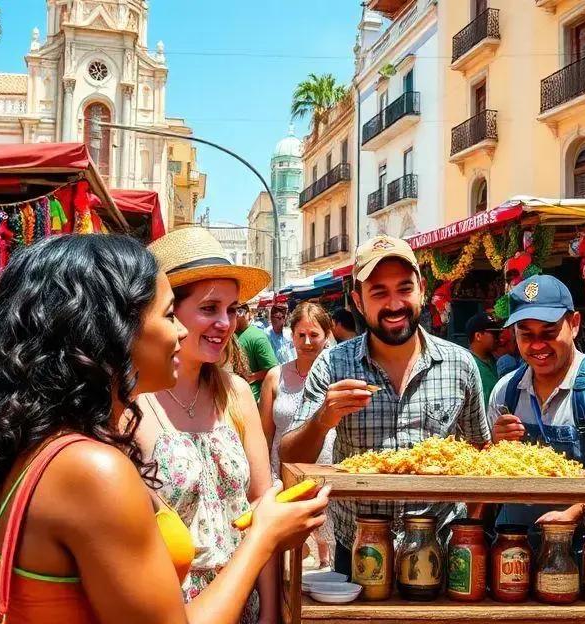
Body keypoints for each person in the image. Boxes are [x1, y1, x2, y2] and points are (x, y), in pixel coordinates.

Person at [0, 234, 329, 624]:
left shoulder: (46, 443)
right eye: (170, 314)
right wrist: (263, 537)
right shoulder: (91, 468)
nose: (182, 332)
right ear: (112, 329)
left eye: (232, 309)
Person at [281, 235, 490, 577]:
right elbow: (290, 457)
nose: (395, 304)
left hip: (438, 548)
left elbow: (482, 455)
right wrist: (322, 420)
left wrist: (467, 530)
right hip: (358, 548)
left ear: (422, 289)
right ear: (358, 302)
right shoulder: (332, 365)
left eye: (404, 289)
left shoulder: (460, 365)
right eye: (379, 292)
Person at [139, 227, 282, 620]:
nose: (226, 323)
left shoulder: (235, 393)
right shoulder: (131, 404)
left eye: (232, 309)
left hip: (245, 598)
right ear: (166, 313)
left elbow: (261, 506)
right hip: (173, 609)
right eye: (209, 308)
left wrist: (270, 611)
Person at [489, 274, 585, 535]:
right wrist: (497, 448)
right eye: (526, 335)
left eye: (549, 332)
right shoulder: (504, 392)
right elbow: (490, 478)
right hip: (512, 547)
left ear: (574, 324)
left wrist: (573, 514)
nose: (538, 345)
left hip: (581, 547)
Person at [261, 302, 337, 569]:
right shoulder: (275, 377)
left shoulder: (338, 377)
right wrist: (266, 481)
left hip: (328, 472)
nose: (306, 342)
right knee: (287, 558)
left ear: (327, 336)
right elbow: (264, 435)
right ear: (291, 336)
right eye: (300, 335)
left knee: (327, 562)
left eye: (314, 335)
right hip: (284, 476)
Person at [235, 303, 279, 403]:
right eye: (233, 310)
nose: (237, 315)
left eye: (240, 311)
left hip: (251, 400)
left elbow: (273, 370)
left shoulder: (258, 337)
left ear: (248, 313)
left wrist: (252, 377)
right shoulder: (227, 334)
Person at [466, 312, 503, 400]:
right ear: (478, 336)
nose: (499, 339)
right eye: (495, 335)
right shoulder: (467, 365)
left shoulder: (494, 361)